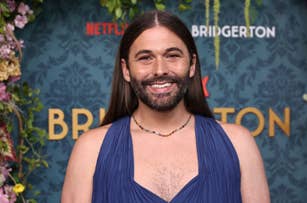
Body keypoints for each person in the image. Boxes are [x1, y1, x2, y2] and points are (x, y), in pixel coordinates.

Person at [61, 10, 270, 203]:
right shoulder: (90, 149)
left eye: (172, 55)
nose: (160, 69)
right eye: (145, 58)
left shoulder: (239, 144)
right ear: (126, 70)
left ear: (192, 65)